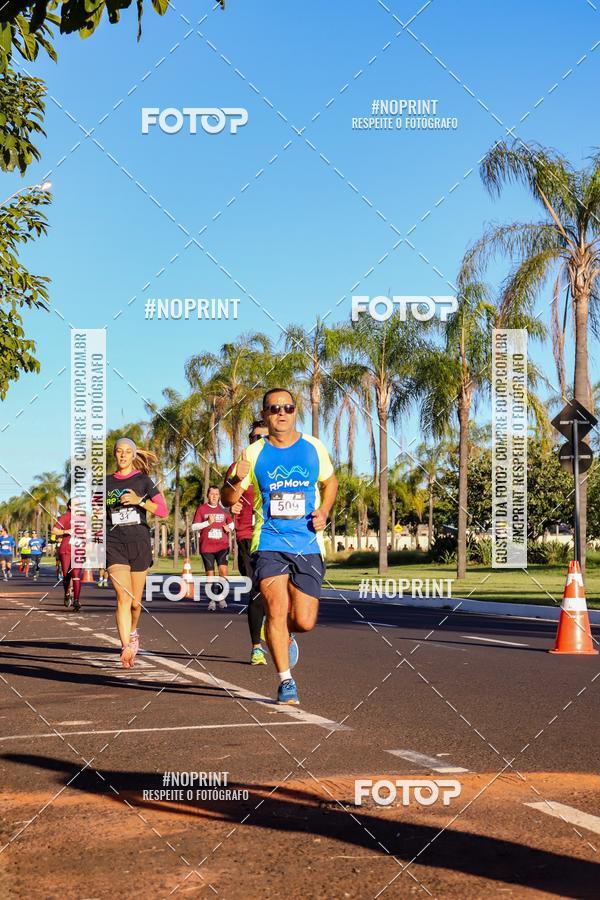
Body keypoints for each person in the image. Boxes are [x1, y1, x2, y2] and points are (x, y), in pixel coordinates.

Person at [223, 388, 338, 706]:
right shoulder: (253, 453)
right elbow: (229, 499)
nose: (281, 413)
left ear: (295, 411)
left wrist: (324, 510)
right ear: (265, 414)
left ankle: (284, 631)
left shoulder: (313, 447)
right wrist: (234, 480)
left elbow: (330, 482)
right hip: (269, 542)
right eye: (274, 408)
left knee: (304, 621)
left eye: (287, 407)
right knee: (274, 607)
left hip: (307, 543)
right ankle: (286, 681)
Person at [106, 437, 168, 667]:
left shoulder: (143, 481)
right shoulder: (104, 483)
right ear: (115, 454)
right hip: (113, 543)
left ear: (133, 455)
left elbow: (163, 510)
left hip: (139, 543)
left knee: (135, 603)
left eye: (127, 451)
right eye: (119, 451)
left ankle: (133, 631)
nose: (123, 455)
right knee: (123, 597)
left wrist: (139, 501)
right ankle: (125, 646)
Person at [223, 419, 269, 664]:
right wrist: (232, 503)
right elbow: (226, 497)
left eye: (264, 437)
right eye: (255, 438)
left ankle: (272, 624)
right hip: (247, 536)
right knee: (256, 591)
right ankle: (256, 647)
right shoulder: (238, 466)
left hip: (276, 536)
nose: (259, 441)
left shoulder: (279, 465)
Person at [191, 487, 235, 611]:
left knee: (223, 571)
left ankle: (221, 597)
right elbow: (194, 527)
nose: (214, 496)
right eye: (212, 494)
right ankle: (211, 600)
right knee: (210, 575)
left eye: (216, 494)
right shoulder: (202, 509)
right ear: (207, 495)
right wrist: (207, 523)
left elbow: (231, 523)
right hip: (207, 547)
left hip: (222, 546)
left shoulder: (223, 509)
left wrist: (229, 528)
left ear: (219, 496)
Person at [53, 500, 83, 610]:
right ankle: (67, 594)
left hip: (79, 550)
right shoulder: (66, 516)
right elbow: (55, 530)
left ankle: (76, 600)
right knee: (66, 575)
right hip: (66, 550)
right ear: (70, 506)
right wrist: (66, 531)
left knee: (76, 575)